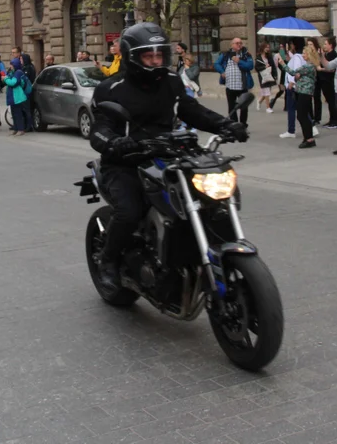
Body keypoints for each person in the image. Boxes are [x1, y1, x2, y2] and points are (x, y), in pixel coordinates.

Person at [90, 22, 249, 291]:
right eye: (148, 56)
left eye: (159, 55)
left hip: (171, 154)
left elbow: (192, 110)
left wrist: (226, 125)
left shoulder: (172, 81)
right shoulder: (111, 88)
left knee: (212, 197)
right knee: (129, 212)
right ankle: (108, 261)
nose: (155, 61)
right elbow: (99, 130)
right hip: (126, 161)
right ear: (132, 56)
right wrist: (115, 143)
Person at [214, 37, 255, 124]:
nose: (239, 44)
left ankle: (243, 124)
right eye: (237, 43)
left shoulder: (246, 54)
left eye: (240, 43)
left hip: (242, 86)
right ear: (232, 45)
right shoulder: (225, 55)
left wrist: (239, 61)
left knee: (243, 108)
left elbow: (250, 66)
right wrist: (222, 72)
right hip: (230, 86)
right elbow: (216, 64)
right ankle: (234, 124)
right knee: (231, 108)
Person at [315, 37, 337, 129]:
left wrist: (321, 69)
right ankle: (332, 119)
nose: (324, 46)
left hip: (330, 81)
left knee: (332, 101)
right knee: (329, 101)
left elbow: (332, 68)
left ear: (331, 45)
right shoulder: (326, 54)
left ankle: (336, 120)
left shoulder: (333, 54)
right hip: (324, 81)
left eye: (326, 44)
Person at [4, 57, 31, 136]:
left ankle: (21, 129)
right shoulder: (13, 72)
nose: (11, 67)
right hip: (13, 96)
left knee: (18, 113)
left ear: (15, 65)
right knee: (14, 113)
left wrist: (5, 79)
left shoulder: (18, 72)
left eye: (12, 65)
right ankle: (16, 128)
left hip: (17, 96)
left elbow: (13, 82)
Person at [255, 42, 277, 112]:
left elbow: (273, 66)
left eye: (268, 47)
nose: (267, 49)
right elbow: (256, 67)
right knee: (267, 91)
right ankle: (268, 107)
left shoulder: (269, 56)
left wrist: (275, 75)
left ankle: (259, 101)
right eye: (266, 47)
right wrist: (264, 67)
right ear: (262, 48)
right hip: (262, 76)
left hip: (269, 76)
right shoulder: (258, 57)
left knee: (267, 91)